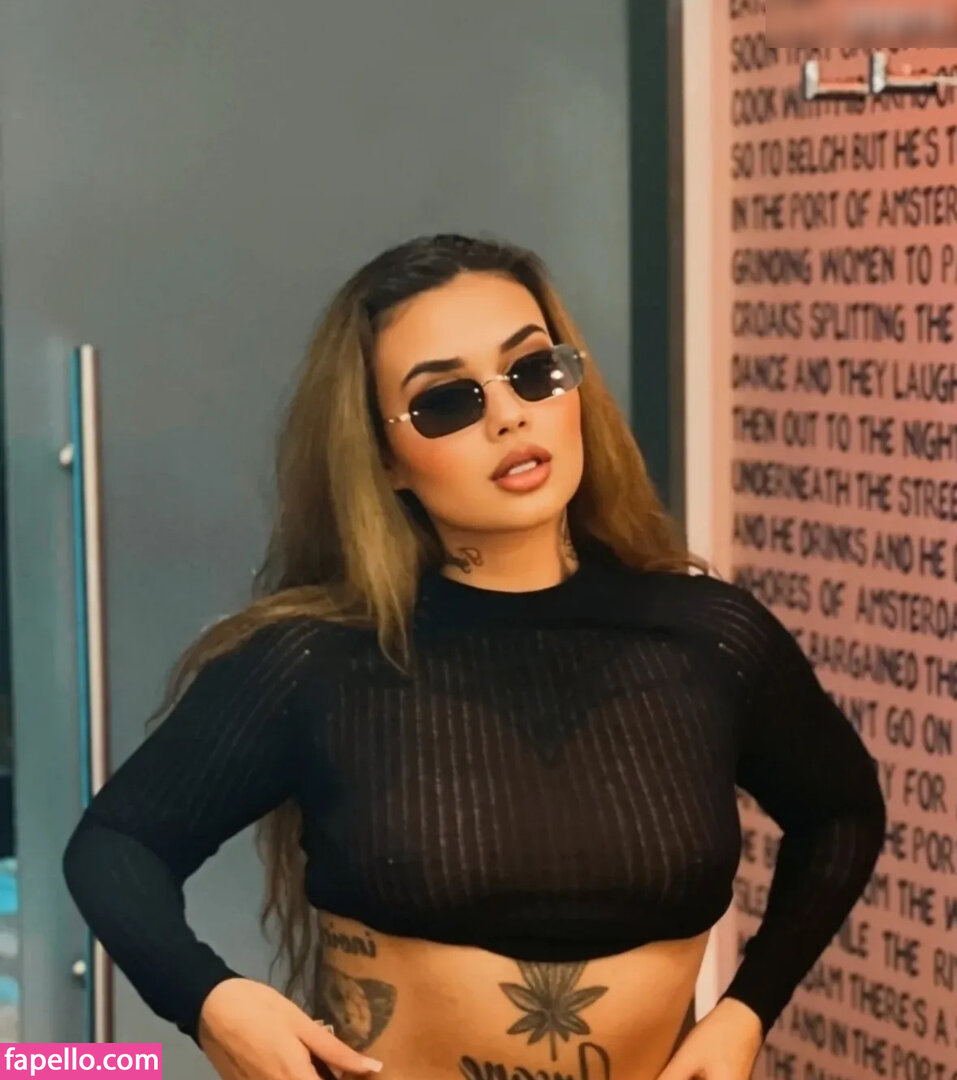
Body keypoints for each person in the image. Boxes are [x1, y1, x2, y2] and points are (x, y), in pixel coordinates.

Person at [62, 233, 886, 1080]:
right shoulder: (317, 661)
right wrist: (212, 1003)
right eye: (446, 402)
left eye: (532, 372)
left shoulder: (711, 636)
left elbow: (841, 813)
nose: (508, 415)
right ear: (385, 458)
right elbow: (116, 846)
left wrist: (746, 1012)